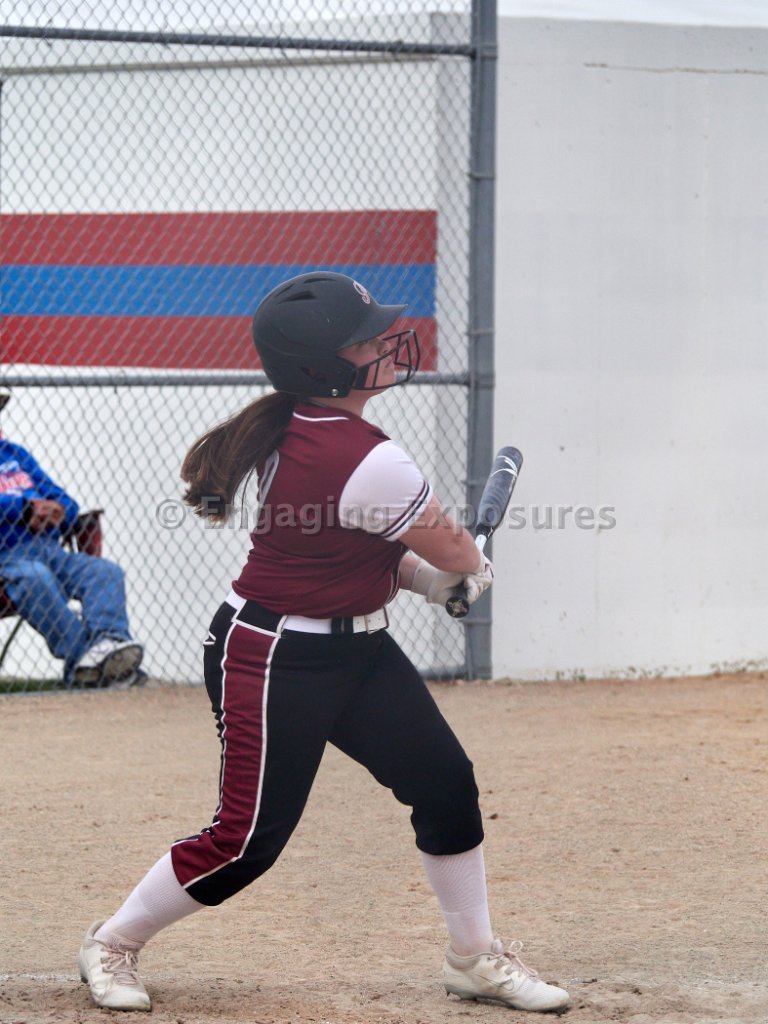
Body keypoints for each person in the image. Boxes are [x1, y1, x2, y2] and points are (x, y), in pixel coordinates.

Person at [77, 273, 569, 1013]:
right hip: (273, 656)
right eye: (365, 339)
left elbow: (355, 552)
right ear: (322, 367)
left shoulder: (303, 427)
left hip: (357, 650)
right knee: (246, 841)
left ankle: (473, 956)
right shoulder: (368, 458)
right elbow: (459, 551)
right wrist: (466, 568)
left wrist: (432, 581)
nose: (386, 344)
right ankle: (112, 941)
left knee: (444, 784)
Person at [0, 390, 144, 688]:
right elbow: (23, 507)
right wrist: (24, 510)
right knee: (36, 579)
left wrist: (58, 510)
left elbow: (61, 497)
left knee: (105, 573)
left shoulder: (15, 454)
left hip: (51, 550)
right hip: (8, 557)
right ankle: (88, 661)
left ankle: (108, 643)